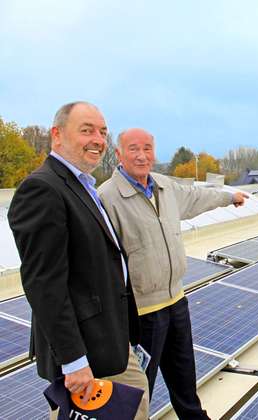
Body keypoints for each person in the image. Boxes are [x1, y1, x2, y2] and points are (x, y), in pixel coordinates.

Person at [8, 102, 150, 419]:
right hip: (86, 352)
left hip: (109, 339)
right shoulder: (43, 189)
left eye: (102, 132)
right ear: (57, 135)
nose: (98, 139)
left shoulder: (81, 185)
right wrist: (73, 360)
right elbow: (45, 284)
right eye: (86, 130)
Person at [98, 128, 247, 419]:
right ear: (118, 154)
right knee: (140, 389)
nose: (142, 156)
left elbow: (196, 197)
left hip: (176, 301)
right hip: (141, 313)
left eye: (147, 148)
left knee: (184, 380)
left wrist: (230, 197)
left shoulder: (164, 186)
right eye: (133, 149)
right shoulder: (107, 197)